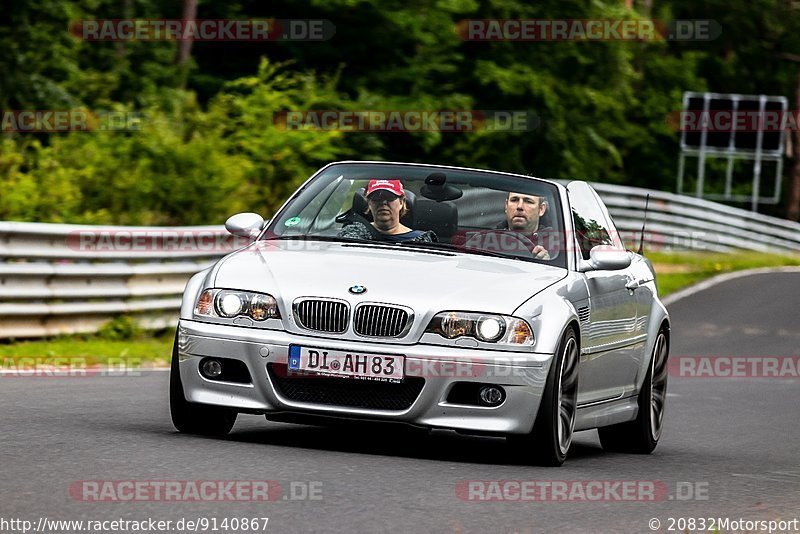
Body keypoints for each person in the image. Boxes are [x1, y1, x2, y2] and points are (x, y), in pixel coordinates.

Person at [338, 179, 436, 243]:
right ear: (369, 204)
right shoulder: (352, 233)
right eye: (376, 198)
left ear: (402, 202)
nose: (383, 203)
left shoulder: (422, 240)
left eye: (389, 197)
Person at [499, 192, 553, 260]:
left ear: (541, 209)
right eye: (514, 200)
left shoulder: (556, 246)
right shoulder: (488, 238)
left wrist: (546, 264)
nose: (519, 206)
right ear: (506, 205)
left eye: (528, 201)